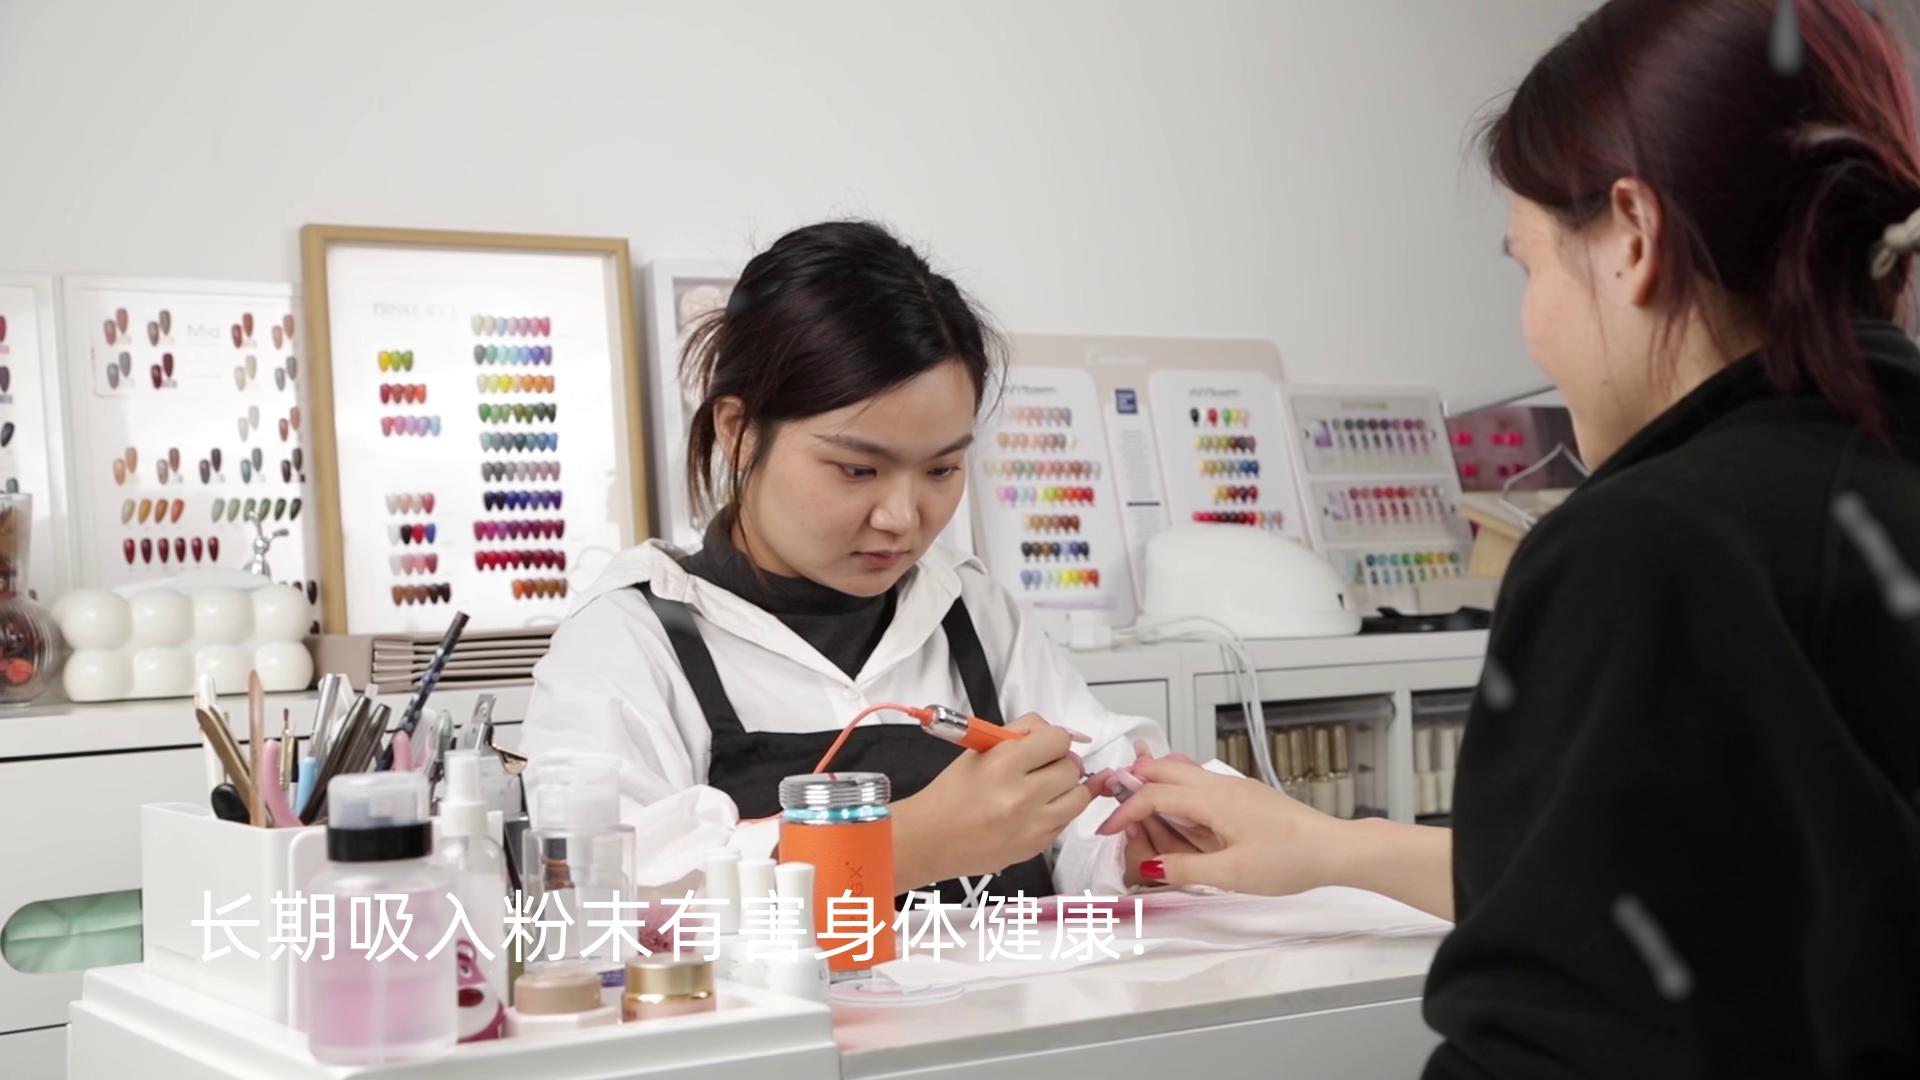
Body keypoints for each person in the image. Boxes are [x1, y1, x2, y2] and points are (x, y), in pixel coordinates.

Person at [1100, 0, 1920, 1074]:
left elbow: (1562, 1033)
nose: (1530, 323)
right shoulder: (1868, 488)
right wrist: (1329, 847)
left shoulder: (1652, 545)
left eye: (1528, 265)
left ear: (1634, 238)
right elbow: (1744, 890)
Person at [522, 220, 1168, 909]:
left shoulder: (973, 613)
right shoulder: (628, 641)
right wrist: (902, 848)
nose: (903, 517)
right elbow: (596, 903)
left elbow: (1097, 807)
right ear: (739, 433)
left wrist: (1140, 841)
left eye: (942, 469)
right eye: (858, 469)